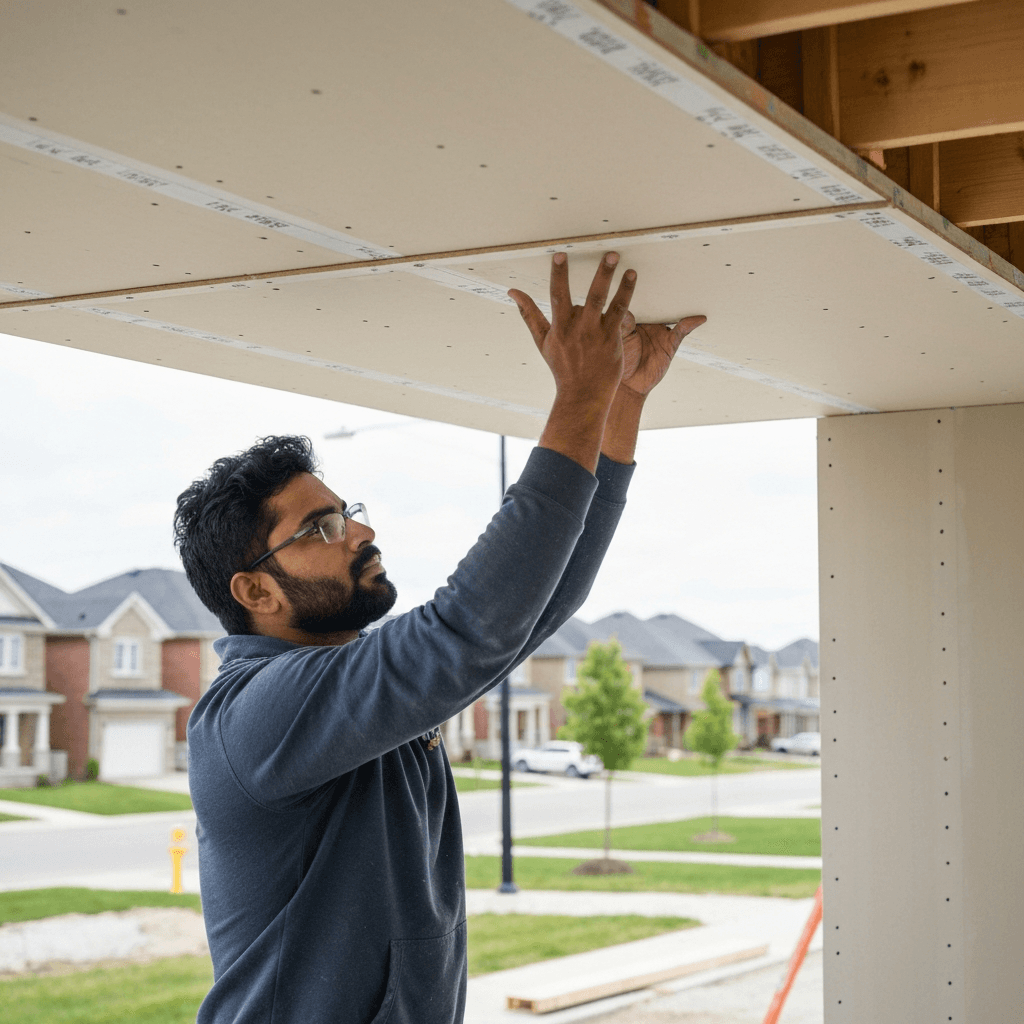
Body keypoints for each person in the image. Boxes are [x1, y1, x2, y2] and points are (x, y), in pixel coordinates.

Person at [174, 251, 705, 1024]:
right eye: (321, 527)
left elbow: (536, 608)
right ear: (254, 590)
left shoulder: (359, 697)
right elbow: (467, 630)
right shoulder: (257, 715)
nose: (360, 529)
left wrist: (618, 402)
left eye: (346, 508)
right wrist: (578, 394)